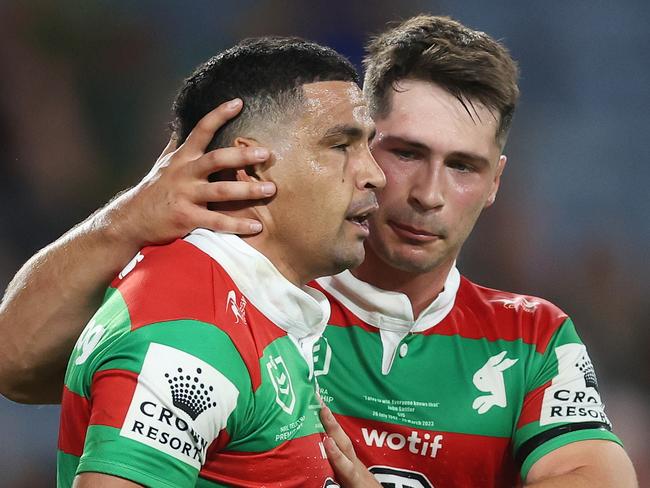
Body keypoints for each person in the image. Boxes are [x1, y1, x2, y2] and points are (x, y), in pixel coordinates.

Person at [0, 15, 637, 488]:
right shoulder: (243, 299)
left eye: (463, 167)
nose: (427, 195)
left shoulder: (530, 336)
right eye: (404, 153)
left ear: (496, 181)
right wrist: (124, 220)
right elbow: (17, 367)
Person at [52, 36, 385, 487]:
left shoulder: (250, 304)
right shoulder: (192, 330)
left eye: (368, 145)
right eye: (340, 146)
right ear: (250, 166)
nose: (374, 174)